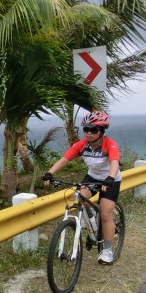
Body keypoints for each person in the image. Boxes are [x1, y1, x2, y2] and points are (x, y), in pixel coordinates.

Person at [42, 110, 122, 265]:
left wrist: (110, 178)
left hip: (110, 180)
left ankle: (107, 250)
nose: (89, 133)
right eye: (86, 129)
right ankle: (89, 217)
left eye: (93, 130)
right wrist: (49, 173)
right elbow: (64, 159)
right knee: (79, 196)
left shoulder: (109, 144)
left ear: (101, 131)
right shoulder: (81, 145)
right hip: (92, 177)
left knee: (106, 214)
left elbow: (114, 163)